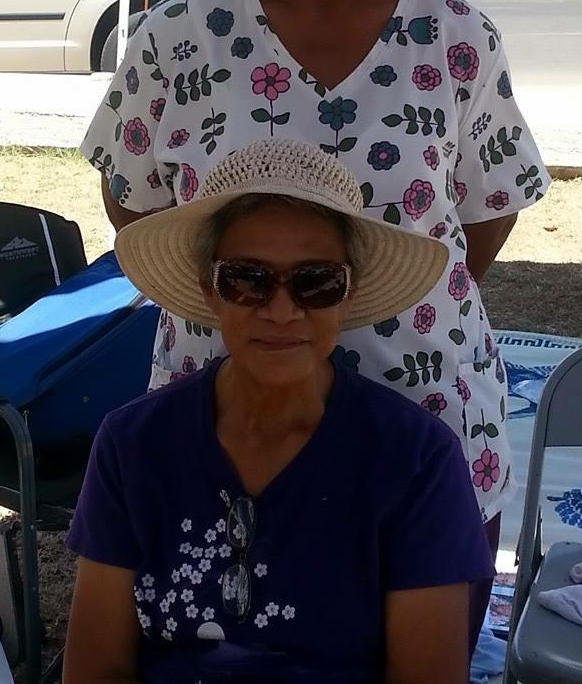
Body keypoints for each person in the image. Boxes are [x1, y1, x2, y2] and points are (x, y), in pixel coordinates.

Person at [79, 0, 550, 649]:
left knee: (412, 649)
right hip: (227, 400)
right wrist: (246, 299)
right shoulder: (177, 36)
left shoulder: (458, 36)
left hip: (423, 399)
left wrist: (381, 293)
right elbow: (134, 197)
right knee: (236, 645)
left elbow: (488, 208)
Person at [64, 139, 495, 684]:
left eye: (316, 282)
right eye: (248, 279)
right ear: (210, 290)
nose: (283, 310)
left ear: (348, 293)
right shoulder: (133, 445)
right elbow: (95, 668)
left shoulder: (416, 460)